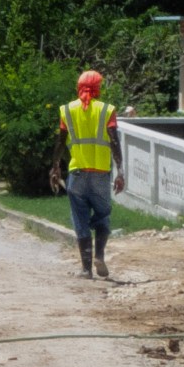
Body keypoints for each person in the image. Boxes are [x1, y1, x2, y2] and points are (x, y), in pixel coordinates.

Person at [51, 68, 124, 278]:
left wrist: (55, 167)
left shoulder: (67, 110)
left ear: (79, 87)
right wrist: (121, 171)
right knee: (103, 216)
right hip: (101, 173)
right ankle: (99, 255)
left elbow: (60, 142)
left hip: (77, 173)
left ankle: (86, 269)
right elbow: (114, 141)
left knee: (80, 220)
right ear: (98, 88)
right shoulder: (106, 110)